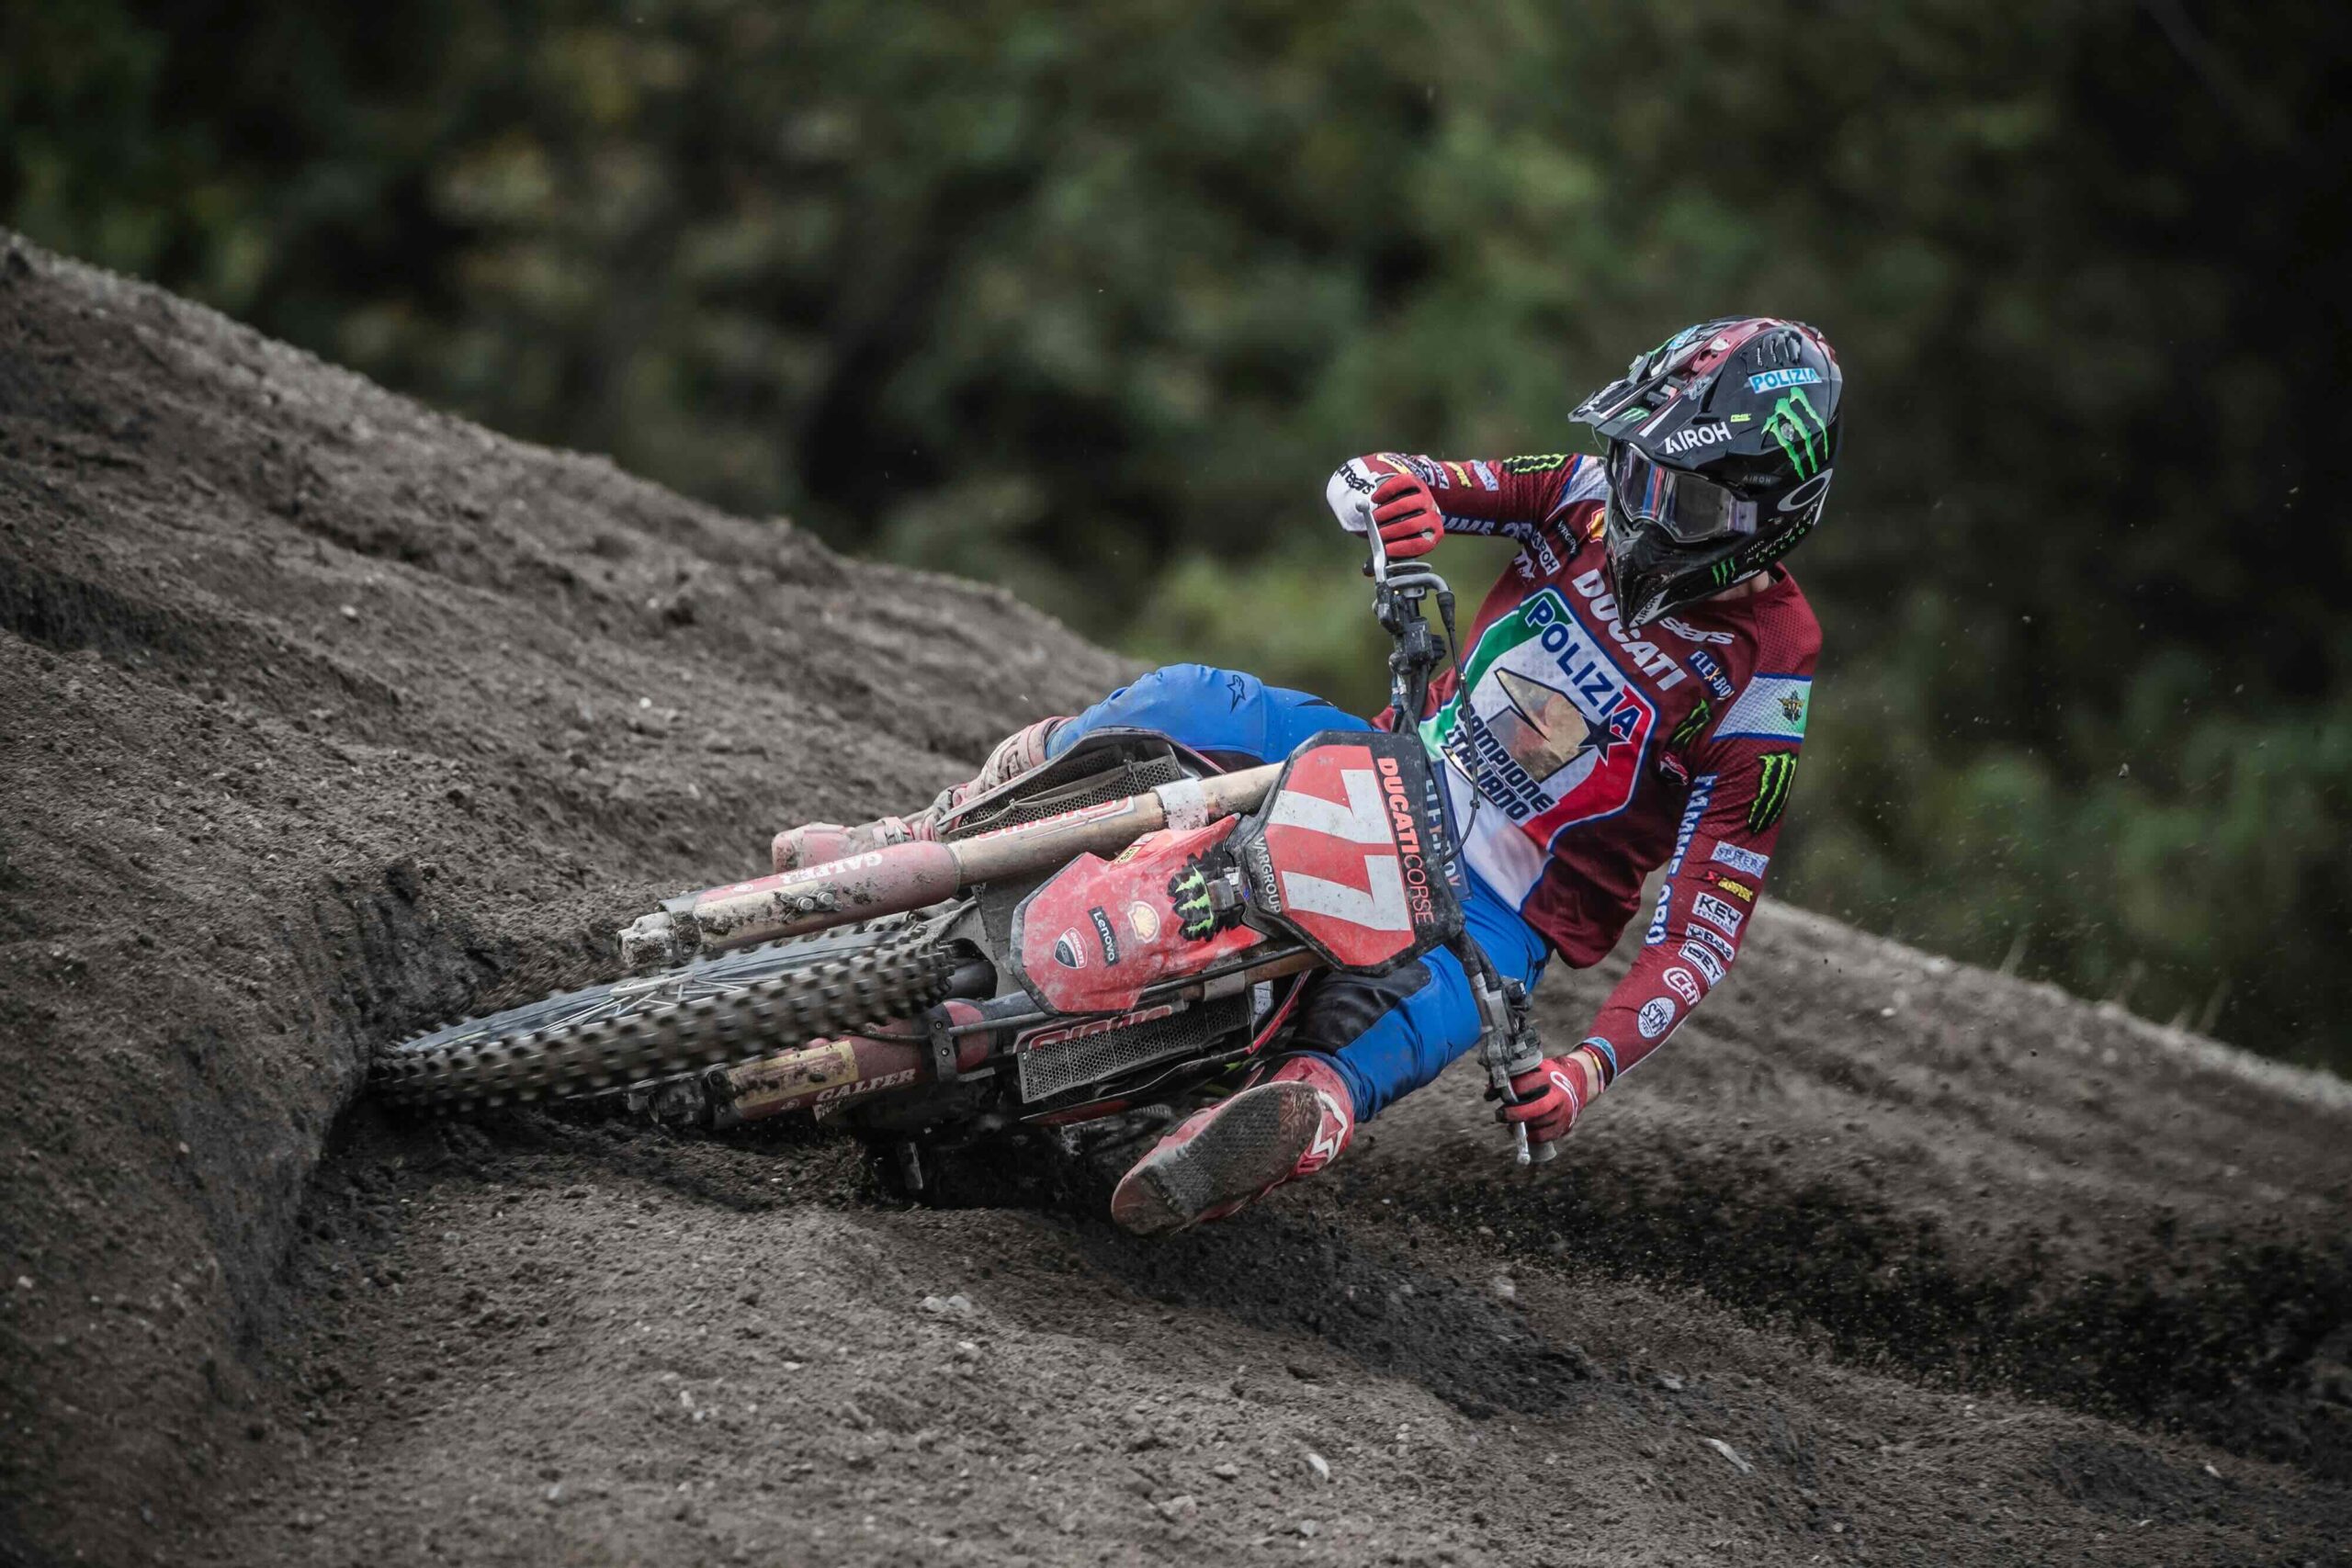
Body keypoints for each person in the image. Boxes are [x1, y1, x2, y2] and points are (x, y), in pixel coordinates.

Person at [774, 317, 1839, 1235]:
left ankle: (1275, 1122)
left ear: (1768, 514)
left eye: (1684, 501)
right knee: (1179, 699)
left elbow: (1703, 929)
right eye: (1639, 468)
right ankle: (924, 833)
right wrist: (1392, 503)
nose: (1644, 507)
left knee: (1378, 1043)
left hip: (1502, 910)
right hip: (1381, 763)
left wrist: (1581, 1071)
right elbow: (1378, 476)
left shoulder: (1765, 676)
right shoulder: (1583, 492)